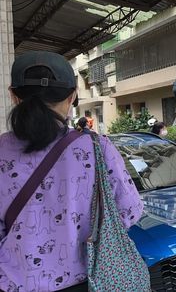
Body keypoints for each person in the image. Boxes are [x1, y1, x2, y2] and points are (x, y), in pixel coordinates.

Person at [0, 51, 144, 291]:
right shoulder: (97, 147)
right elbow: (129, 211)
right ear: (72, 96)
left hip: (13, 283)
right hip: (83, 281)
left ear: (13, 95)